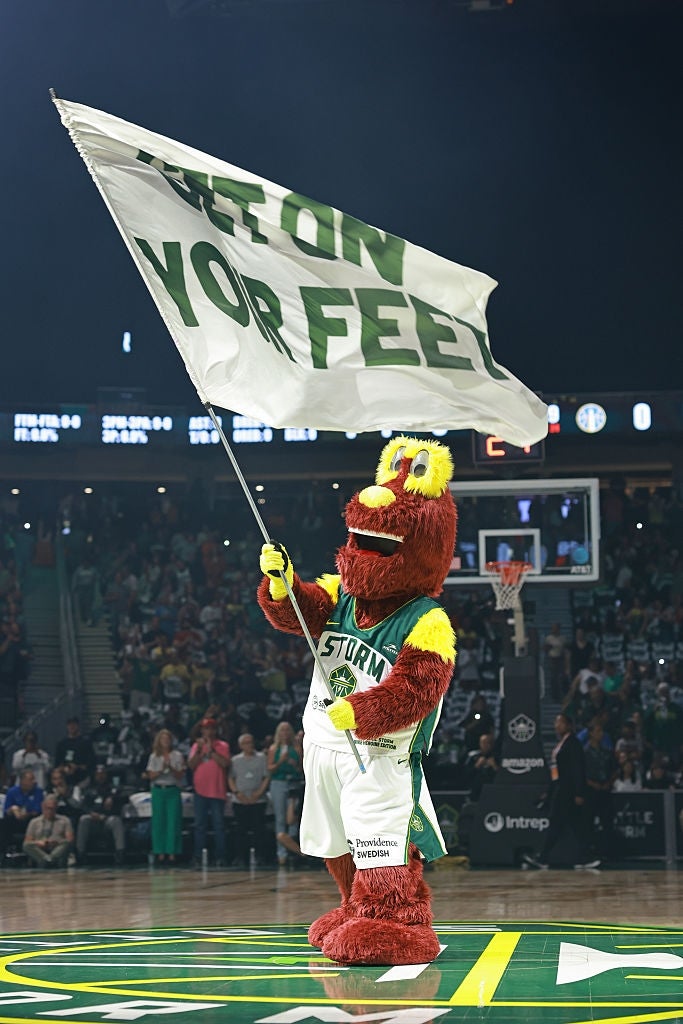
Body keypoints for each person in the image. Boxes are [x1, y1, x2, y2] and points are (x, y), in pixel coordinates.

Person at [523, 714, 597, 870]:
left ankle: (543, 858)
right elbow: (556, 771)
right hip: (560, 788)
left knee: (557, 823)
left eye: (560, 723)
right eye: (556, 723)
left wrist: (579, 792)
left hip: (567, 790)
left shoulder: (573, 743)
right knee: (575, 826)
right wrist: (550, 791)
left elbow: (577, 770)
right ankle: (584, 858)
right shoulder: (561, 744)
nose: (556, 726)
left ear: (569, 725)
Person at [188, 717, 230, 867]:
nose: (209, 731)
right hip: (200, 790)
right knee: (200, 825)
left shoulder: (222, 745)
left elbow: (225, 763)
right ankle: (198, 856)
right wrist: (200, 750)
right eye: (206, 728)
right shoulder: (196, 746)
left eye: (211, 728)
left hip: (217, 790)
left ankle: (221, 856)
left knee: (219, 825)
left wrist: (211, 750)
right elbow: (191, 765)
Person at [228, 733, 270, 867]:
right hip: (240, 800)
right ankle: (241, 857)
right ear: (240, 745)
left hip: (258, 800)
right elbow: (231, 778)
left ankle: (260, 857)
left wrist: (259, 793)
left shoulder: (262, 758)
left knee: (259, 830)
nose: (249, 745)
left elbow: (266, 777)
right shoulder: (235, 760)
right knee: (240, 831)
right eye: (245, 743)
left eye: (250, 742)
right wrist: (237, 792)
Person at [144, 729, 186, 865]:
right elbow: (150, 775)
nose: (166, 741)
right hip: (158, 790)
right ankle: (160, 852)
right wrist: (161, 769)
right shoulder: (154, 756)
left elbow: (180, 775)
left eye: (168, 739)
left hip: (172, 789)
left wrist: (172, 768)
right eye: (163, 739)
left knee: (173, 821)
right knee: (159, 822)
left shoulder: (177, 755)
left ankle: (172, 852)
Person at [266, 721, 303, 866]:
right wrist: (281, 761)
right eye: (282, 730)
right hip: (278, 783)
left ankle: (294, 851)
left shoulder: (297, 748)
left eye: (288, 730)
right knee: (280, 818)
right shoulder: (274, 749)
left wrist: (295, 765)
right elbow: (270, 769)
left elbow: (301, 769)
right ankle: (281, 854)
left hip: (293, 782)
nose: (285, 733)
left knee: (293, 817)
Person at [75, 765, 126, 865]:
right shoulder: (88, 790)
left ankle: (120, 854)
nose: (100, 776)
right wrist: (91, 813)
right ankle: (80, 854)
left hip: (108, 820)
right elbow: (82, 807)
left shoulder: (113, 788)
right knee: (84, 819)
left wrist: (113, 798)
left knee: (116, 821)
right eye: (98, 774)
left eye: (103, 774)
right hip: (93, 820)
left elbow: (122, 799)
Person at [2, 768, 45, 861]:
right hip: (15, 822)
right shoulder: (12, 792)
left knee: (35, 820)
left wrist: (25, 814)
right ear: (22, 781)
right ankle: (2, 854)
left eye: (34, 779)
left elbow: (38, 811)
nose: (34, 781)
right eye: (31, 779)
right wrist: (13, 809)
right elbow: (6, 811)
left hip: (31, 821)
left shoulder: (38, 792)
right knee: (4, 823)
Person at [23, 794, 74, 868]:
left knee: (66, 844)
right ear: (42, 806)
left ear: (56, 808)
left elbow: (70, 840)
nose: (49, 811)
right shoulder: (34, 822)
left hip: (57, 849)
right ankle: (48, 860)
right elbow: (27, 841)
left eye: (51, 809)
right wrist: (38, 842)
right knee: (26, 845)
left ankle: (49, 860)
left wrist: (56, 842)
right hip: (40, 850)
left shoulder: (65, 820)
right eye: (47, 808)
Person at [54, 717, 96, 786]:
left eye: (74, 724)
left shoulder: (86, 743)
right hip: (65, 779)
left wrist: (77, 767)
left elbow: (91, 763)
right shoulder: (62, 744)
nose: (72, 726)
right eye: (69, 724)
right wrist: (63, 768)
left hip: (82, 778)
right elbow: (57, 764)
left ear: (78, 726)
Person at [543, 622, 569, 699]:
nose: (554, 629)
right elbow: (544, 649)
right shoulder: (549, 638)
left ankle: (565, 694)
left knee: (563, 677)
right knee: (553, 678)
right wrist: (548, 648)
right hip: (552, 659)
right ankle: (555, 696)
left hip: (561, 659)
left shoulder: (563, 638)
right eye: (553, 628)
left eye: (556, 628)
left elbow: (566, 650)